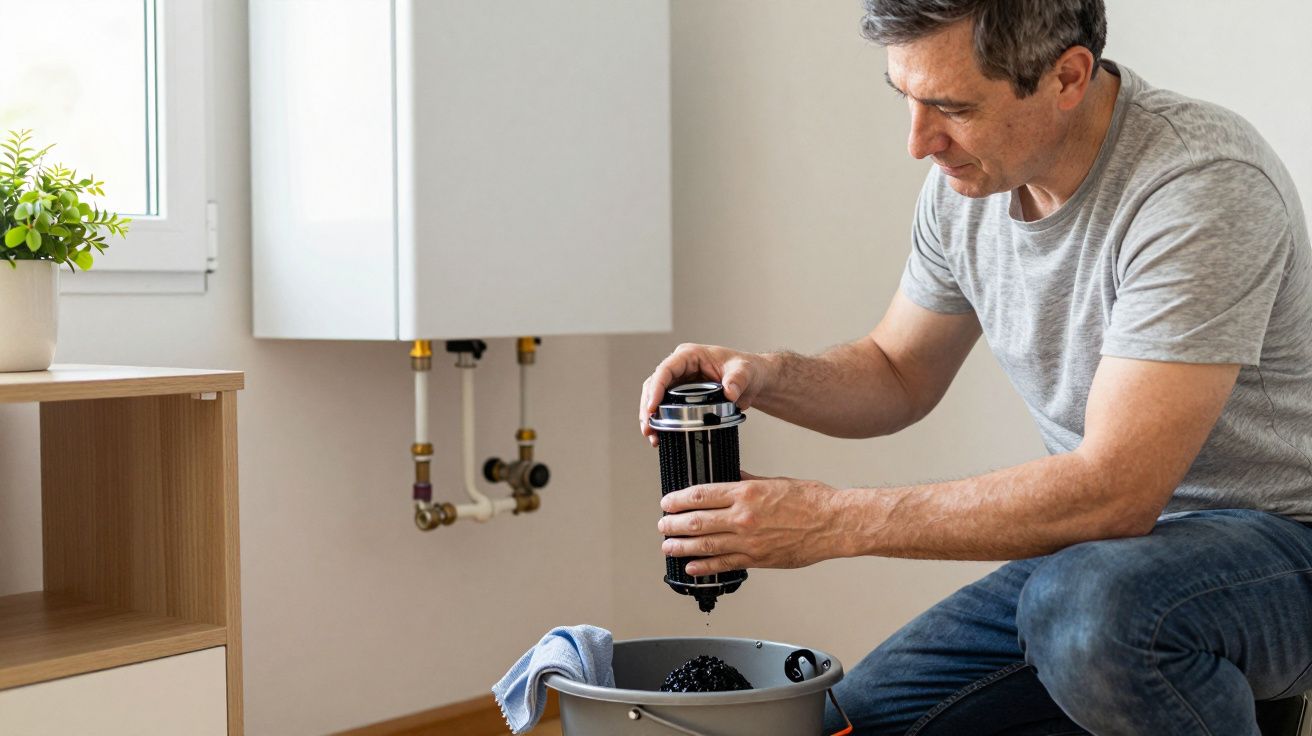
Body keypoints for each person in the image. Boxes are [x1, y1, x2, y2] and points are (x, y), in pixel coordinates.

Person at [638, 1, 1312, 734]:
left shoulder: (1200, 184)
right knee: (849, 724)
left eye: (953, 107)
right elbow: (897, 371)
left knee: (1090, 614)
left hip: (1281, 546)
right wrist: (766, 375)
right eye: (907, 99)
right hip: (1111, 561)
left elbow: (1116, 492)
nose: (920, 141)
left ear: (1067, 76)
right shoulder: (975, 183)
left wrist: (829, 521)